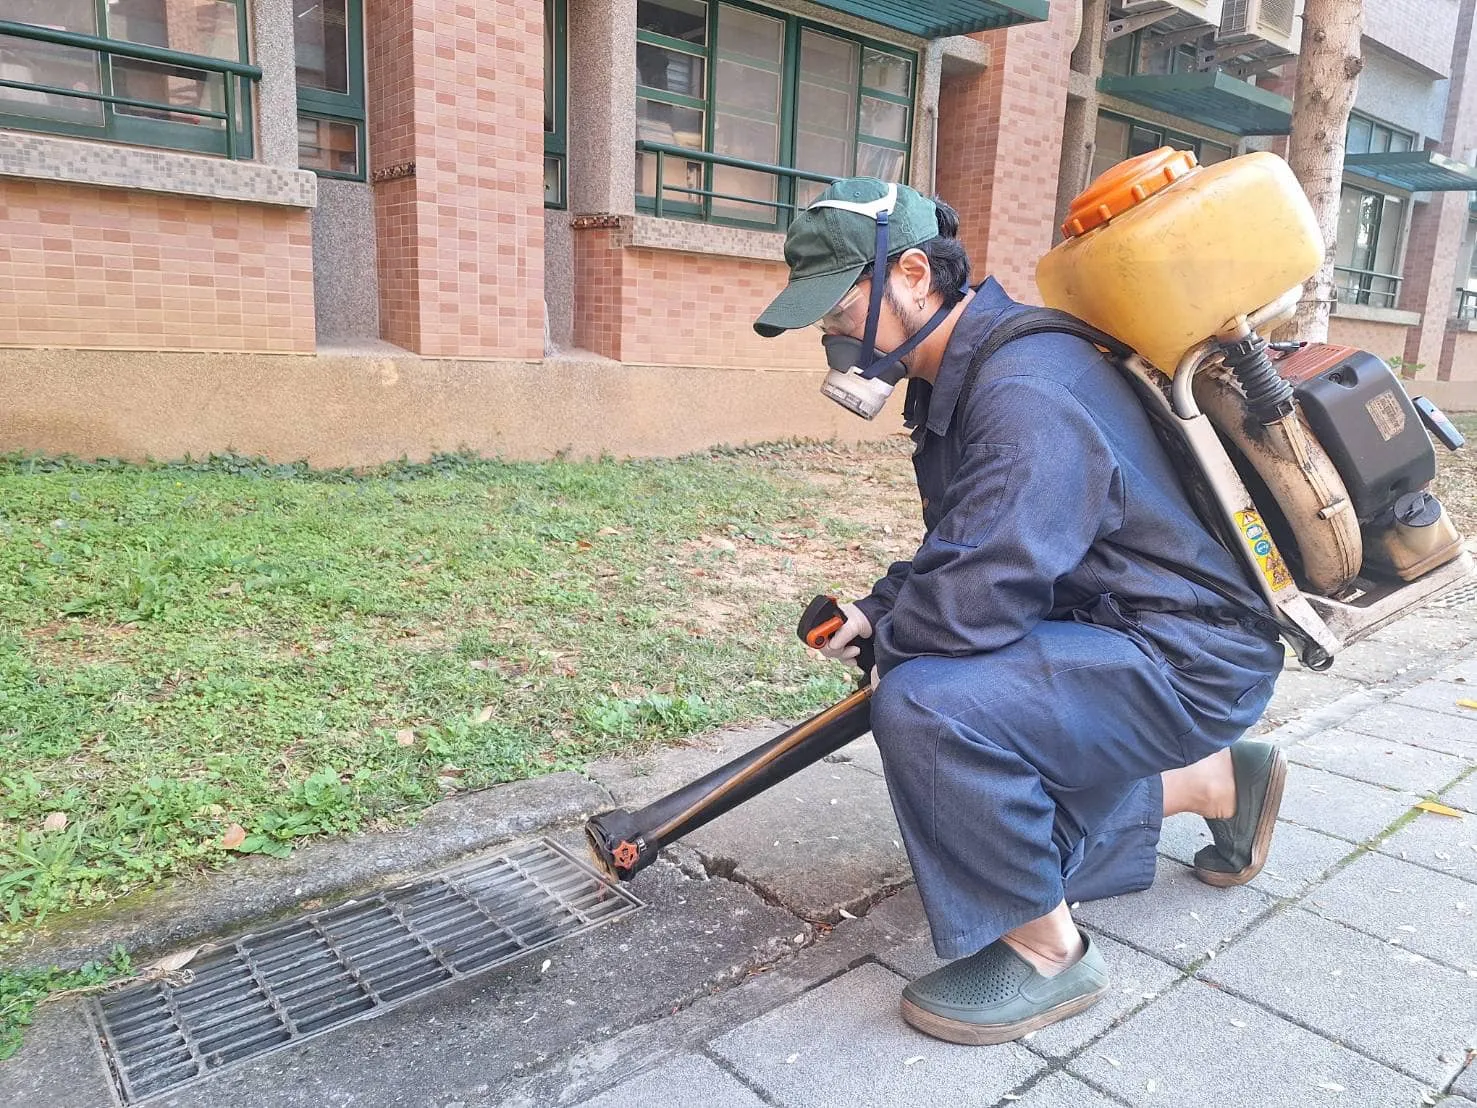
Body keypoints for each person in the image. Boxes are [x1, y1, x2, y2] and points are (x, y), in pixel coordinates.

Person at [752, 177, 1287, 1046]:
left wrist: (899, 639)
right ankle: (1221, 780)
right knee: (961, 738)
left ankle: (1048, 952)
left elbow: (977, 596)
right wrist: (876, 608)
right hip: (1136, 630)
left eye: (838, 307)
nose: (830, 335)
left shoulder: (1025, 386)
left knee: (928, 704)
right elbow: (975, 540)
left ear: (914, 273)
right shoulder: (973, 371)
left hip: (1185, 659)